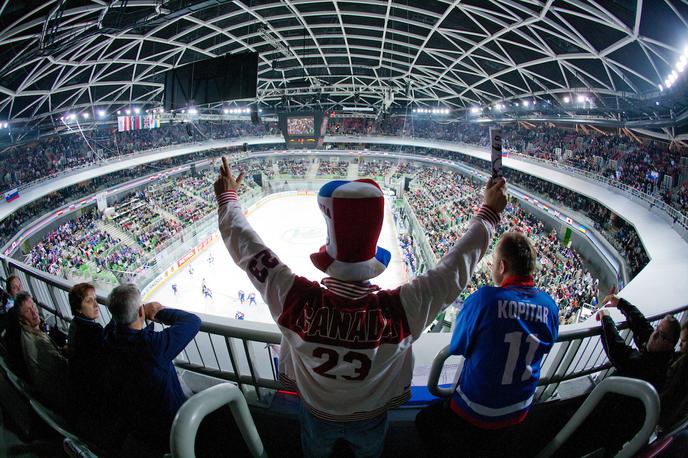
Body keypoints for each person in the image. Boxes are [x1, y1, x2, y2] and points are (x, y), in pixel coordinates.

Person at [214, 156, 507, 457]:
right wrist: (488, 214)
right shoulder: (402, 308)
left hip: (316, 412)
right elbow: (453, 270)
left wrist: (228, 200)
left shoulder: (293, 297)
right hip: (371, 415)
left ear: (329, 255)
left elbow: (248, 249)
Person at [415, 232, 559, 456]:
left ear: (501, 265)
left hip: (475, 410)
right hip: (521, 408)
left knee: (425, 421)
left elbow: (458, 346)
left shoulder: (485, 300)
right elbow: (546, 346)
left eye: (493, 262)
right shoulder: (550, 307)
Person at [102, 283, 201, 454]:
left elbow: (117, 319)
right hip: (172, 421)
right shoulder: (152, 346)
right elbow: (193, 321)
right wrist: (160, 312)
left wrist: (139, 310)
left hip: (139, 423)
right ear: (141, 312)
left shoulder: (108, 337)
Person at [598, 294, 679, 390]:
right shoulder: (661, 353)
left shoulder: (653, 368)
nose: (654, 335)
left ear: (669, 345)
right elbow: (642, 325)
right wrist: (620, 303)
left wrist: (606, 319)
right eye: (657, 328)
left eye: (661, 335)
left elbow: (619, 353)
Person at [14, 292, 70, 412]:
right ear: (21, 318)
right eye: (28, 311)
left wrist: (61, 350)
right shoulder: (38, 342)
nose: (34, 313)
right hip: (60, 396)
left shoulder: (26, 332)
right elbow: (65, 367)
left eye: (33, 306)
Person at [66, 283, 106, 440]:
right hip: (95, 402)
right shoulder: (93, 331)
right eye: (89, 301)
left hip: (83, 398)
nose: (96, 305)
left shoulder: (75, 324)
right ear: (78, 308)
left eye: (95, 299)